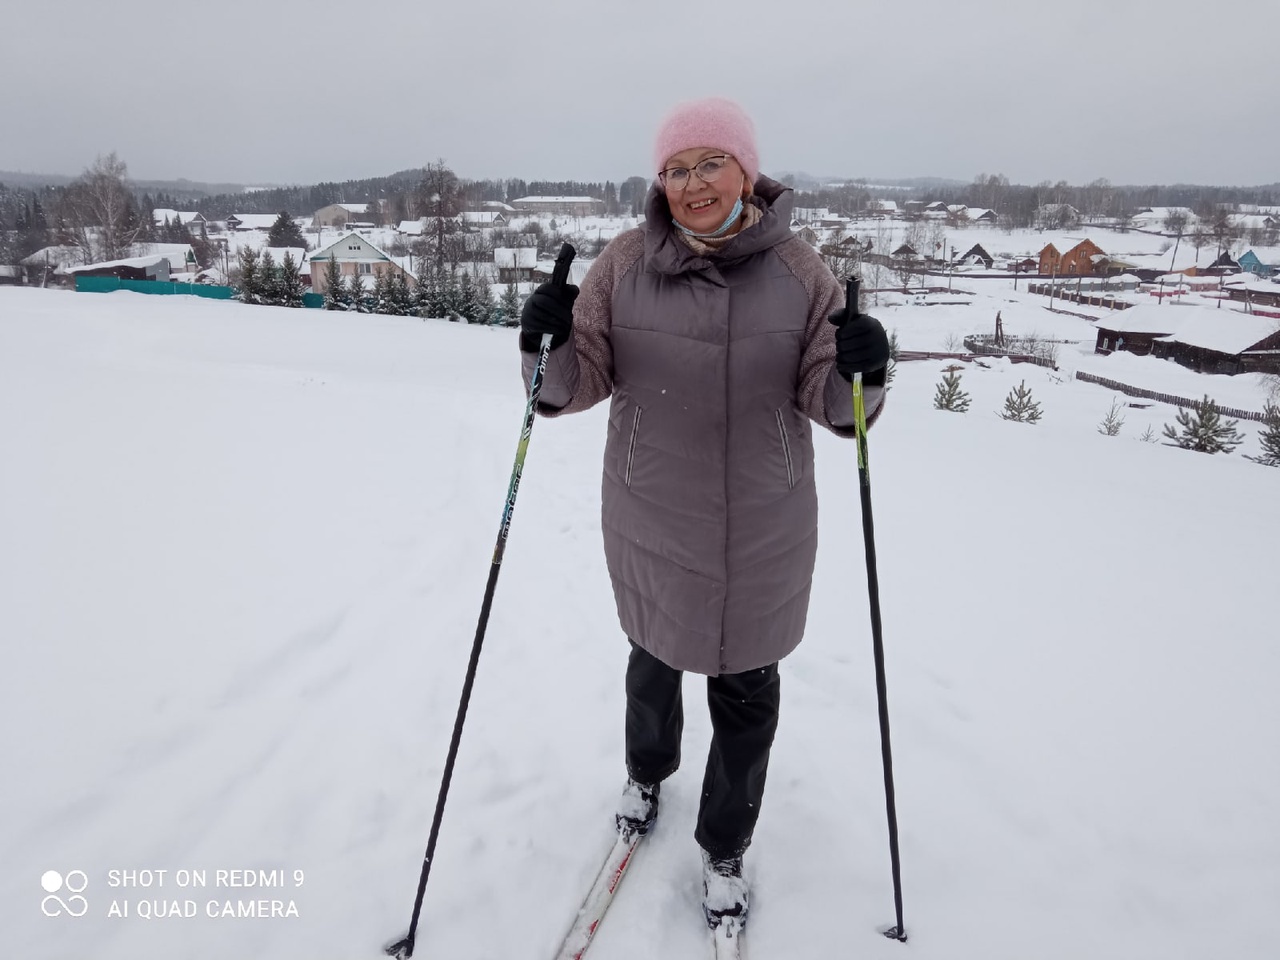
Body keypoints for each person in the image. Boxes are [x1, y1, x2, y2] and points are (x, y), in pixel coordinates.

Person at [518, 96, 889, 929]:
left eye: (709, 163)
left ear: (746, 171)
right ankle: (646, 775)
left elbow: (838, 409)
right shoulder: (623, 266)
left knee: (748, 692)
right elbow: (571, 388)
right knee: (652, 666)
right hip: (652, 514)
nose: (692, 184)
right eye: (675, 169)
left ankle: (725, 845)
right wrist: (546, 346)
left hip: (766, 528)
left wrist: (863, 373)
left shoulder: (802, 272)